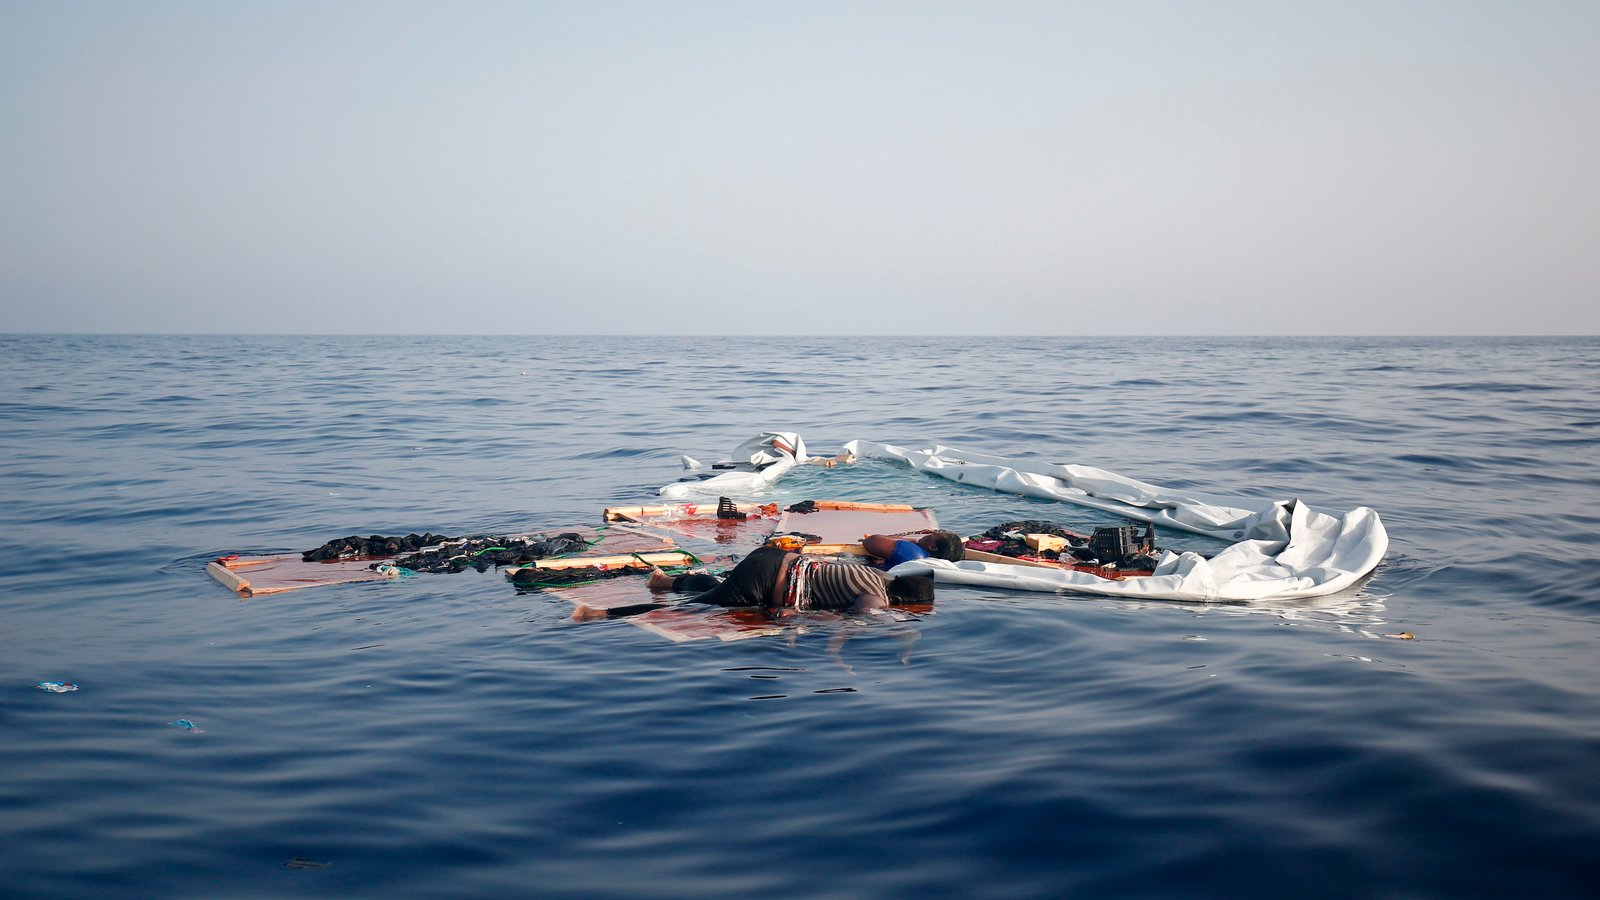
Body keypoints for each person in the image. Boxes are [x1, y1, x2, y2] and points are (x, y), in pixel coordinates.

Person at [648, 544, 935, 613]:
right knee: (691, 610)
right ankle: (608, 613)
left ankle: (666, 582)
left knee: (720, 589)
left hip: (775, 556)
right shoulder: (877, 598)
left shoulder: (880, 574)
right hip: (764, 580)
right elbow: (856, 621)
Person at [862, 530, 965, 570]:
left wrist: (907, 541)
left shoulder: (911, 551)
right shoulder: (925, 562)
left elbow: (870, 541)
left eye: (933, 535)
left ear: (932, 547)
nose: (927, 535)